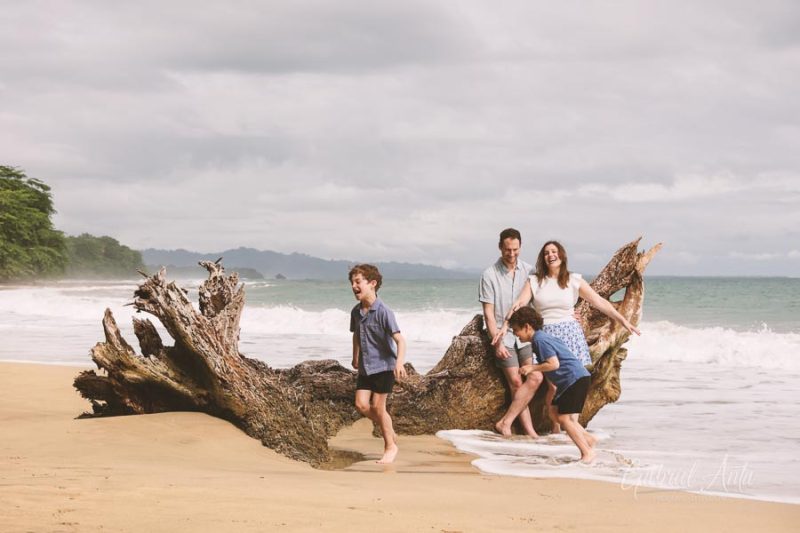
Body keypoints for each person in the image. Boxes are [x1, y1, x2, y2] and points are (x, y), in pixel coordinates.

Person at [494, 240, 641, 432]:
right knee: (547, 384)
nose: (550, 255)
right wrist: (505, 326)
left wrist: (623, 320)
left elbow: (598, 301)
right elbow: (519, 304)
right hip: (545, 334)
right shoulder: (535, 281)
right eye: (546, 252)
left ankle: (565, 428)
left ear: (561, 255)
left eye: (554, 251)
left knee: (570, 382)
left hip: (570, 334)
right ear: (543, 258)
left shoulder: (574, 280)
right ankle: (531, 424)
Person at [495, 307, 598, 463]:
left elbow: (554, 364)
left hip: (573, 379)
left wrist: (532, 367)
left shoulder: (539, 340)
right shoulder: (542, 338)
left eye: (516, 330)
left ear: (527, 327)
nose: (515, 334)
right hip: (573, 379)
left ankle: (587, 452)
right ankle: (588, 439)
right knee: (554, 414)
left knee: (564, 419)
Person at [479, 228, 543, 438]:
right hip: (502, 336)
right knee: (515, 382)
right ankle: (529, 431)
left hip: (526, 336)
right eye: (508, 250)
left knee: (535, 377)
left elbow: (540, 301)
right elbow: (488, 313)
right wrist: (495, 341)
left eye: (515, 249)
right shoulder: (489, 275)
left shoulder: (530, 271)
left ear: (520, 247)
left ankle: (506, 421)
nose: (512, 254)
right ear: (500, 248)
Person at [349, 264, 407, 464]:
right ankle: (389, 429)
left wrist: (399, 363)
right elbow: (356, 334)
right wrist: (355, 356)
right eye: (352, 283)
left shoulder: (384, 312)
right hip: (366, 367)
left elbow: (400, 340)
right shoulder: (356, 312)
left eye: (358, 282)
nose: (353, 286)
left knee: (378, 406)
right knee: (361, 405)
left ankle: (390, 446)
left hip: (384, 366)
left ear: (372, 284)